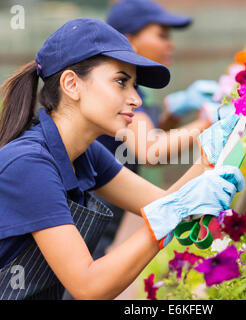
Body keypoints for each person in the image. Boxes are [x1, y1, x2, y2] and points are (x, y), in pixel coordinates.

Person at [0, 18, 244, 300]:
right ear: (71, 84)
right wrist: (173, 211)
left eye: (134, 86)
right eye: (121, 82)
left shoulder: (85, 153)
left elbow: (159, 202)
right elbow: (89, 286)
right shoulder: (27, 165)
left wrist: (209, 157)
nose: (136, 99)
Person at [91, 0, 225, 263]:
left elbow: (138, 136)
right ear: (129, 41)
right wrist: (209, 122)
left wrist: (172, 114)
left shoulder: (129, 90)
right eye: (162, 35)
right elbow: (150, 150)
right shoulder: (119, 95)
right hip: (88, 214)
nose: (170, 44)